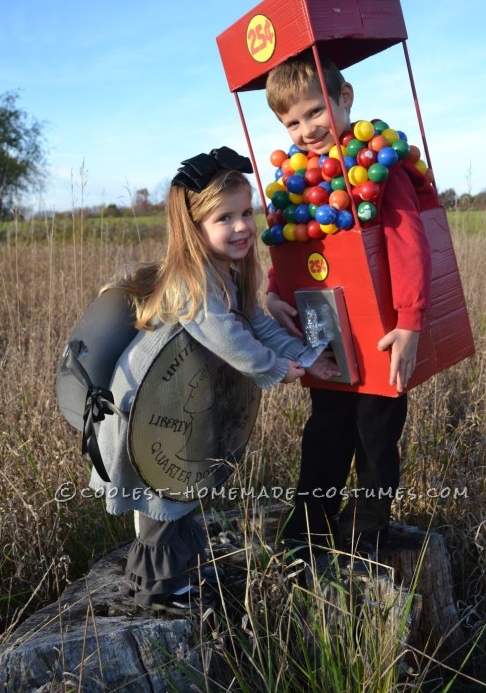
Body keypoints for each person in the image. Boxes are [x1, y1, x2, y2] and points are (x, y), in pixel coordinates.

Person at [88, 146, 338, 614]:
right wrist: (277, 369)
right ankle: (158, 588)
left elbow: (256, 326)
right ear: (195, 228)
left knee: (179, 491)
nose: (242, 226)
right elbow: (229, 338)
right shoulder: (195, 281)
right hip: (144, 408)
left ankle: (179, 569)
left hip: (173, 400)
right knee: (158, 496)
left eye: (246, 212)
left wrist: (304, 356)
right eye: (225, 218)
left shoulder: (231, 273)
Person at [264, 50, 437, 553]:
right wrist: (275, 293)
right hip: (327, 333)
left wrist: (409, 321)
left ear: (344, 98)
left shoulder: (377, 167)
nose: (305, 129)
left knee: (375, 435)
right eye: (292, 122)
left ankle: (367, 533)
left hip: (380, 333)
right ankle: (309, 527)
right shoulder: (302, 179)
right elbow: (296, 245)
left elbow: (410, 246)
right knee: (325, 429)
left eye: (315, 111)